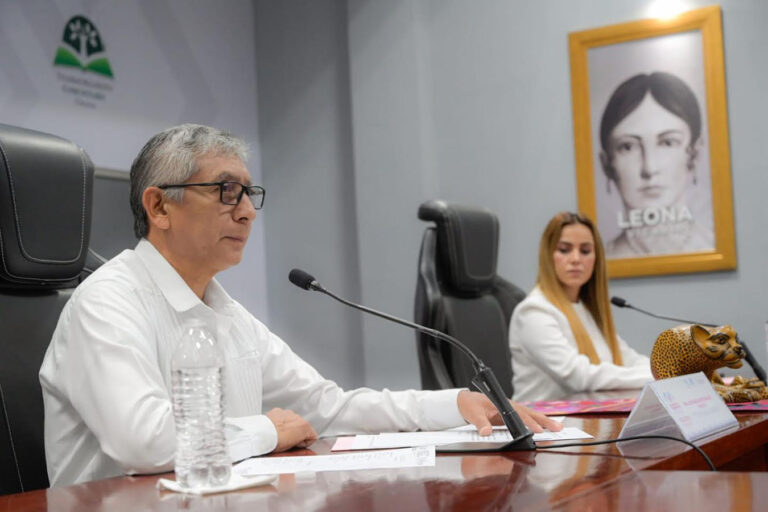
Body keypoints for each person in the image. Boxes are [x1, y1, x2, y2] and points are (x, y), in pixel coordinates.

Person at [39, 124, 559, 487]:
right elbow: (144, 442)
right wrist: (268, 429)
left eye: (249, 194)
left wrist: (453, 405)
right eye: (226, 191)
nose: (247, 212)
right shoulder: (107, 303)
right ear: (159, 206)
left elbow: (328, 408)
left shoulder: (226, 313)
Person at [508, 212, 652, 401]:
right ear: (548, 255)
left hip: (588, 414)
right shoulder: (533, 312)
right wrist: (655, 377)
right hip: (542, 419)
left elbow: (629, 359)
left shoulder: (586, 309)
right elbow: (579, 377)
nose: (576, 259)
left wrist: (667, 373)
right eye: (564, 250)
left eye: (585, 251)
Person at [598, 71, 714, 258]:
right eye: (628, 147)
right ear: (606, 164)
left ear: (695, 154)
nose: (649, 168)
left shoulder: (713, 247)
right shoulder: (599, 263)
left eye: (667, 143)